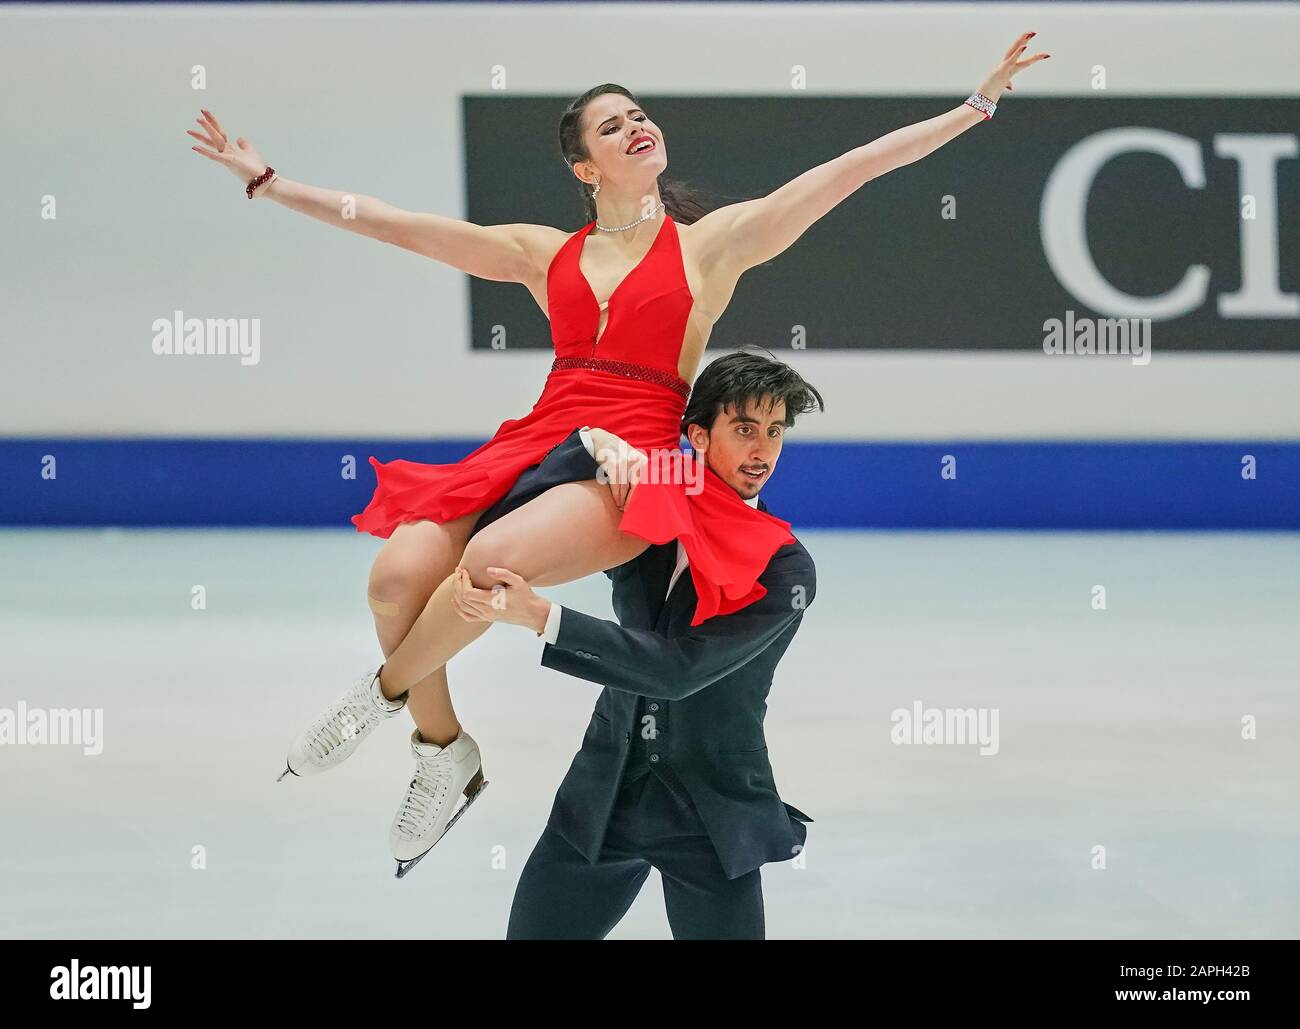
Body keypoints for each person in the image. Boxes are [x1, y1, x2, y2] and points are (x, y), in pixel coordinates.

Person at [185, 34, 1047, 875]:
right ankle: (442, 751)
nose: (637, 126)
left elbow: (848, 171)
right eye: (611, 126)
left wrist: (971, 109)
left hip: (629, 459)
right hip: (538, 435)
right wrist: (268, 183)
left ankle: (378, 694)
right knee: (397, 573)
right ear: (584, 168)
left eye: (639, 114)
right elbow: (400, 227)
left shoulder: (710, 247)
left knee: (487, 565)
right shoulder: (544, 252)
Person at [449, 350, 824, 939]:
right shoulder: (650, 518)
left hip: (710, 813)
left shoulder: (785, 570)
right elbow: (548, 494)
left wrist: (543, 617)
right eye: (745, 428)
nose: (762, 451)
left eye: (775, 432)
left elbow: (681, 670)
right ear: (697, 435)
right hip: (603, 795)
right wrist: (595, 444)